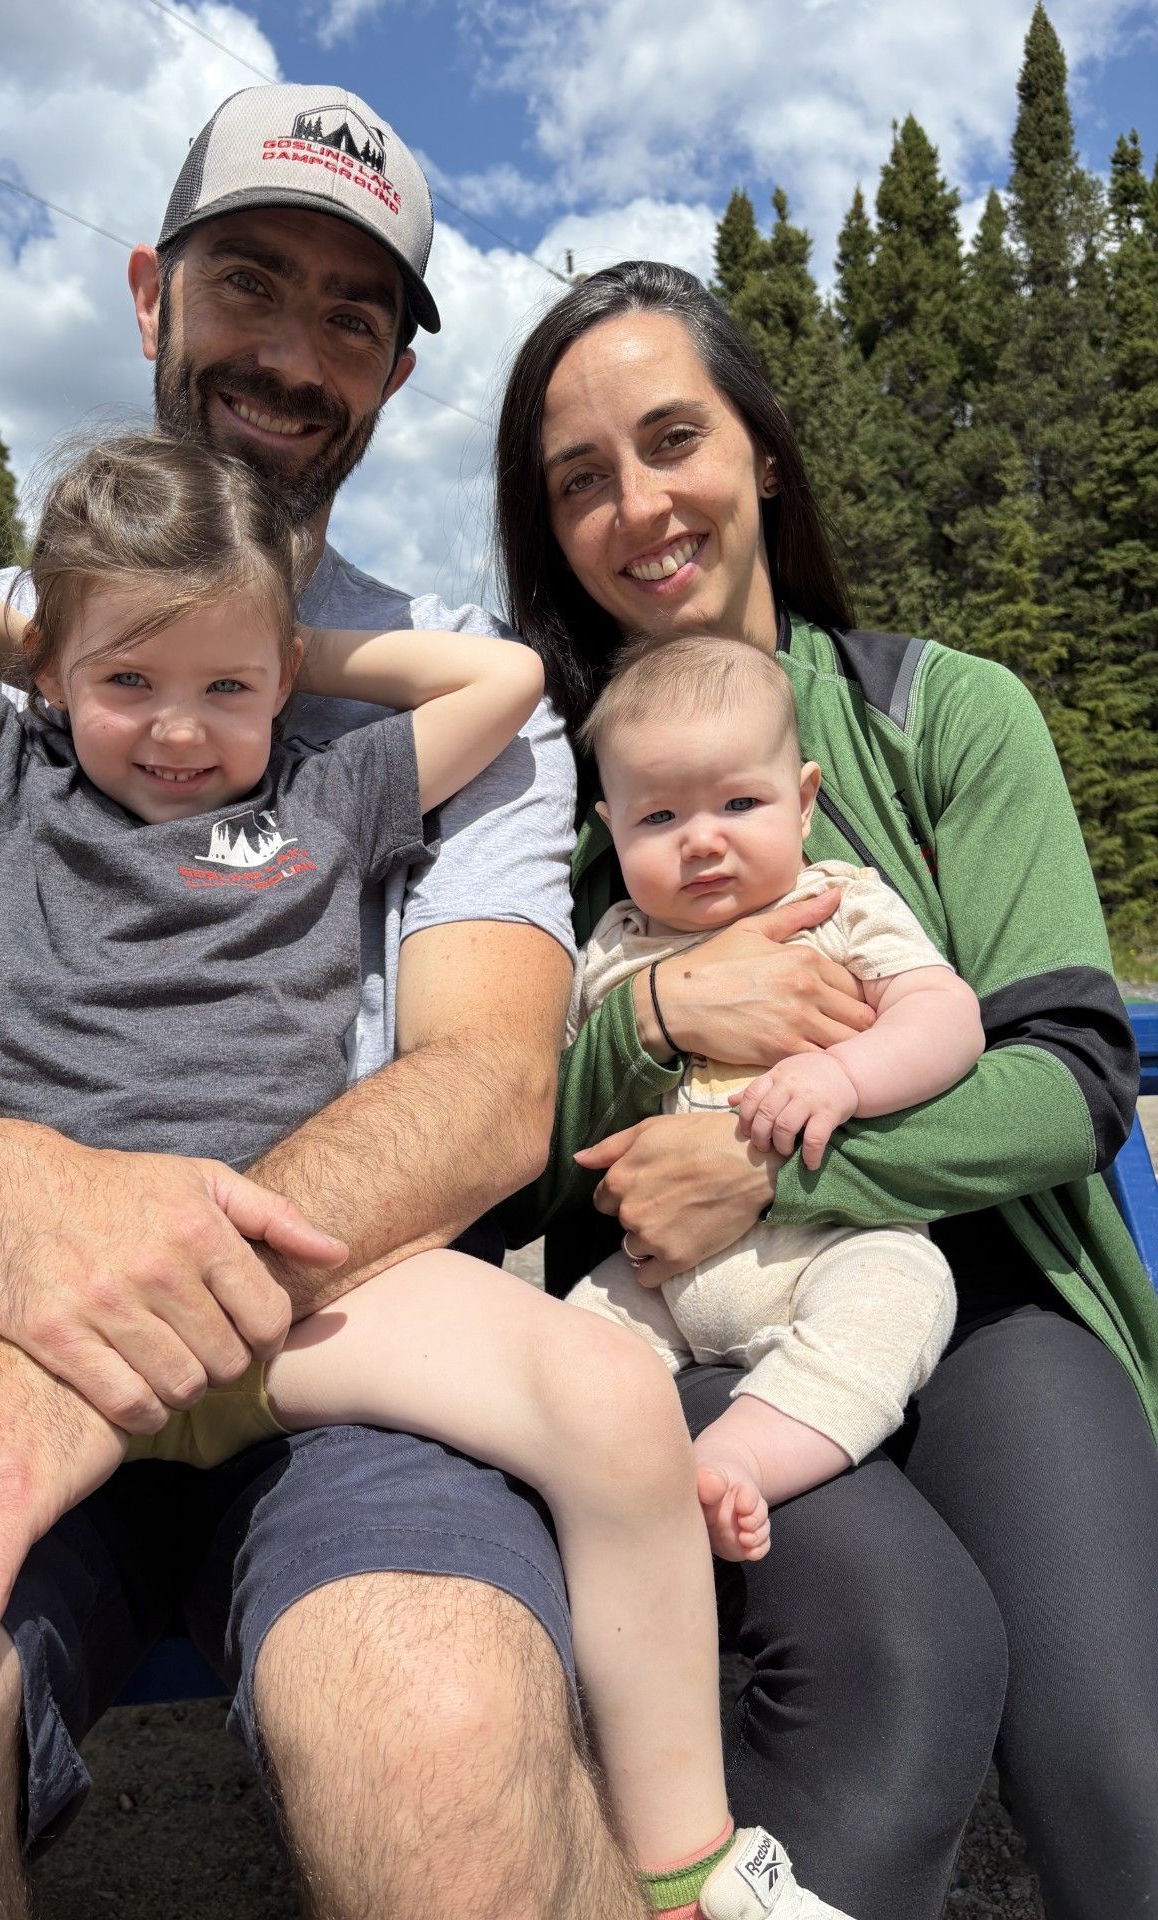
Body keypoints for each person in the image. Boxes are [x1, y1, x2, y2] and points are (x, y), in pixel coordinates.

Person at [0, 438, 854, 1920]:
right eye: (131, 681)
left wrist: (278, 642)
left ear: (279, 679)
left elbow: (503, 682)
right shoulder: (4, 767)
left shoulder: (328, 792)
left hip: (298, 1289)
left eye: (225, 686)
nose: (177, 728)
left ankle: (691, 1861)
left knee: (610, 1401)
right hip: (16, 1293)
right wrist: (82, 622)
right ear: (57, 670)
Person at [0, 86, 630, 1920]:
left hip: (343, 1362)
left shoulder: (440, 702)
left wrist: (276, 643)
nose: (294, 353)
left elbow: (482, 1090)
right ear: (151, 290)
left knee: (449, 1749)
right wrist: (78, 633)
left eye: (353, 318)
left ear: (391, 376)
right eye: (248, 283)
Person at [494, 258, 1158, 1919]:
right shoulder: (545, 806)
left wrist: (774, 1159)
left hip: (987, 1287)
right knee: (899, 1674)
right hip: (689, 1309)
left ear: (765, 455)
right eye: (580, 480)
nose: (639, 506)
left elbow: (1071, 1074)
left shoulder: (945, 715)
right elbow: (510, 1152)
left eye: (673, 440)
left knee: (1122, 1762)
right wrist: (659, 1018)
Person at [563, 634, 983, 1559]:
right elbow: (558, 1088)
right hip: (658, 1269)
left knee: (898, 1299)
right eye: (658, 816)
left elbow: (947, 1016)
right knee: (559, 1350)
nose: (702, 839)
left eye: (740, 804)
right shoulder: (613, 950)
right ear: (611, 826)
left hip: (831, 1241)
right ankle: (548, 1499)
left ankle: (742, 1458)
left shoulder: (842, 906)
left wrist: (845, 1075)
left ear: (804, 802)